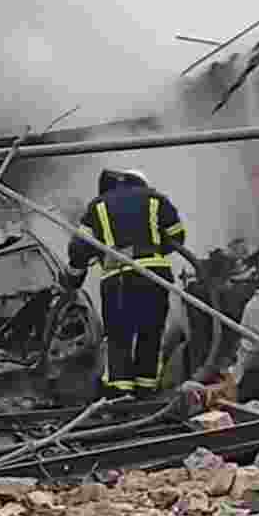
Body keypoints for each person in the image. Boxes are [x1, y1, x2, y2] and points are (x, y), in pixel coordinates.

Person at [61, 168, 186, 400]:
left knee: (120, 334)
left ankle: (120, 391)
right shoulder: (156, 199)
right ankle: (146, 389)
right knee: (151, 332)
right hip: (154, 276)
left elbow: (79, 248)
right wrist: (150, 246)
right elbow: (177, 236)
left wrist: (73, 278)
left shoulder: (98, 206)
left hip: (118, 278)